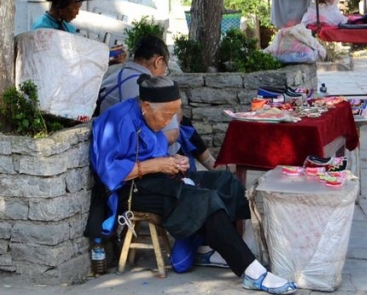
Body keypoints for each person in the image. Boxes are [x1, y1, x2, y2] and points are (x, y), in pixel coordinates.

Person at [91, 76, 297, 294]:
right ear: (146, 106)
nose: (168, 122)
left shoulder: (150, 116)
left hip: (157, 178)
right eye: (166, 115)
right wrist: (156, 164)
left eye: (173, 115)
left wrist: (173, 161)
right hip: (131, 189)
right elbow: (108, 172)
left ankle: (212, 250)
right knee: (203, 200)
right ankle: (252, 272)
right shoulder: (117, 120)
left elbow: (158, 151)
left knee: (224, 182)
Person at [95, 35, 223, 171]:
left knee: (182, 124)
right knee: (182, 129)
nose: (164, 73)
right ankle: (208, 167)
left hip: (125, 144)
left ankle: (211, 164)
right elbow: (171, 134)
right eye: (165, 68)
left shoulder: (111, 78)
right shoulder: (148, 87)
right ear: (158, 61)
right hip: (142, 155)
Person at [32, 0, 125, 63]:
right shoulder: (42, 29)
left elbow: (76, 61)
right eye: (75, 8)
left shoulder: (68, 27)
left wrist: (109, 58)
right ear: (60, 5)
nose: (77, 12)